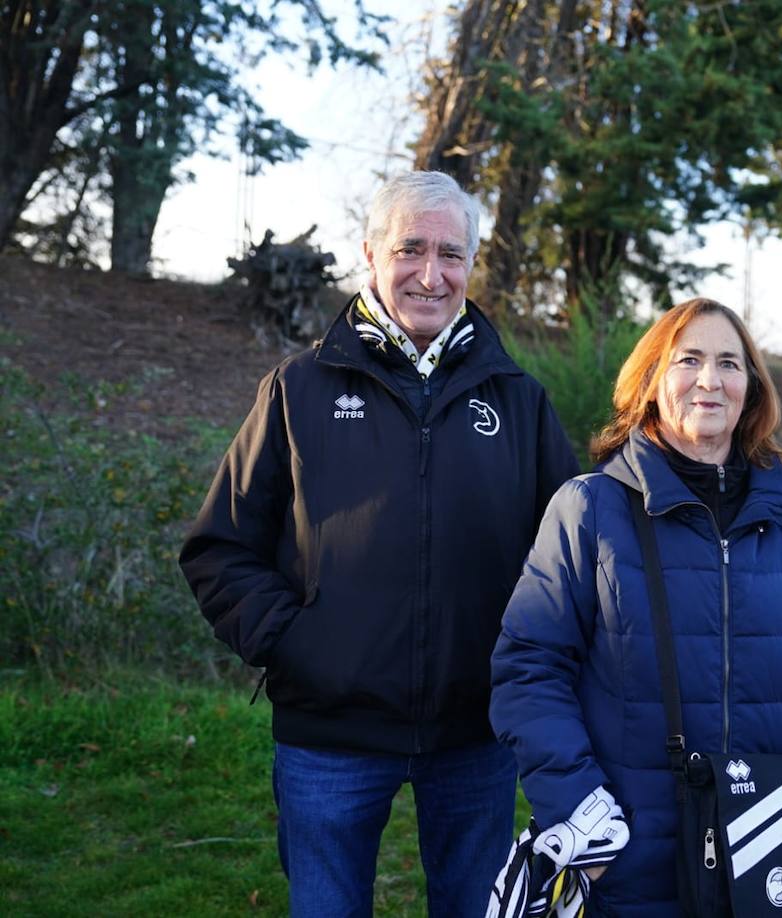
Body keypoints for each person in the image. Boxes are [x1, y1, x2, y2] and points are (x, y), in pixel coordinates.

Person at [179, 171, 580, 916]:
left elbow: (571, 565)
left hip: (476, 734)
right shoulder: (298, 389)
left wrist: (522, 670)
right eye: (411, 250)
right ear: (371, 254)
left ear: (471, 264)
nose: (431, 275)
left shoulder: (519, 402)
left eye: (451, 255)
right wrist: (299, 644)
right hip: (327, 734)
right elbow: (219, 548)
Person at [488, 298, 782, 915]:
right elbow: (528, 669)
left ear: (752, 389)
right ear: (652, 381)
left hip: (766, 853)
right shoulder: (590, 509)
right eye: (689, 360)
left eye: (729, 364)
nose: (710, 380)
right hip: (632, 859)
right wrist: (584, 816)